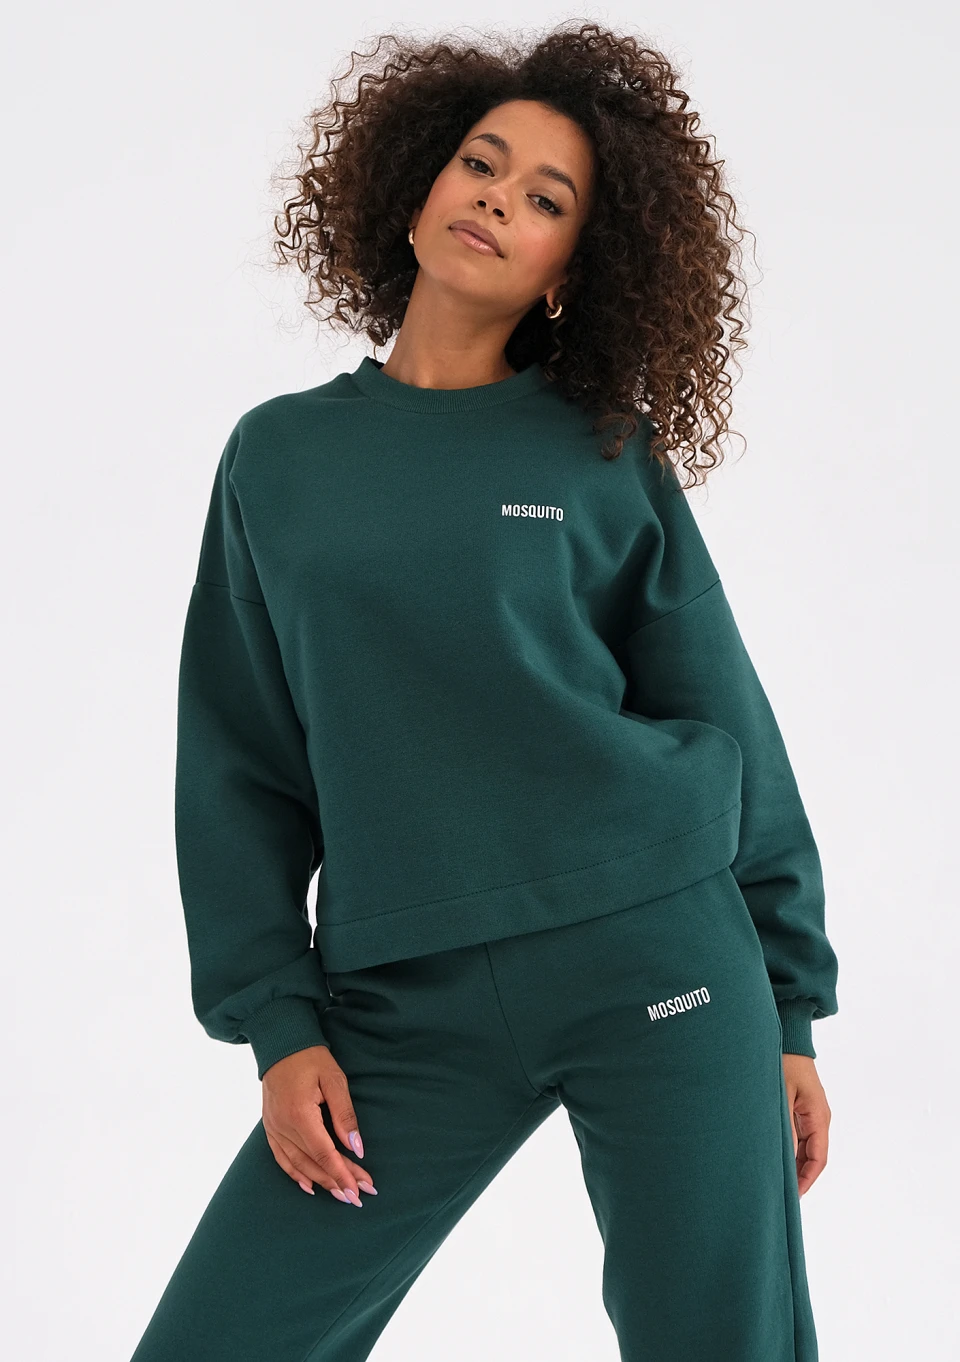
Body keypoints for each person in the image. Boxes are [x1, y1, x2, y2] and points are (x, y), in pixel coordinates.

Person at [130, 22, 839, 1362]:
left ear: (571, 271)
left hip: (657, 958)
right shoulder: (278, 458)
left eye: (546, 199)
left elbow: (725, 712)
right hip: (407, 1002)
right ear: (415, 187)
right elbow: (238, 760)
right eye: (480, 163)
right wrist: (279, 1024)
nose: (498, 200)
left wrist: (790, 1008)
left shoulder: (601, 455)